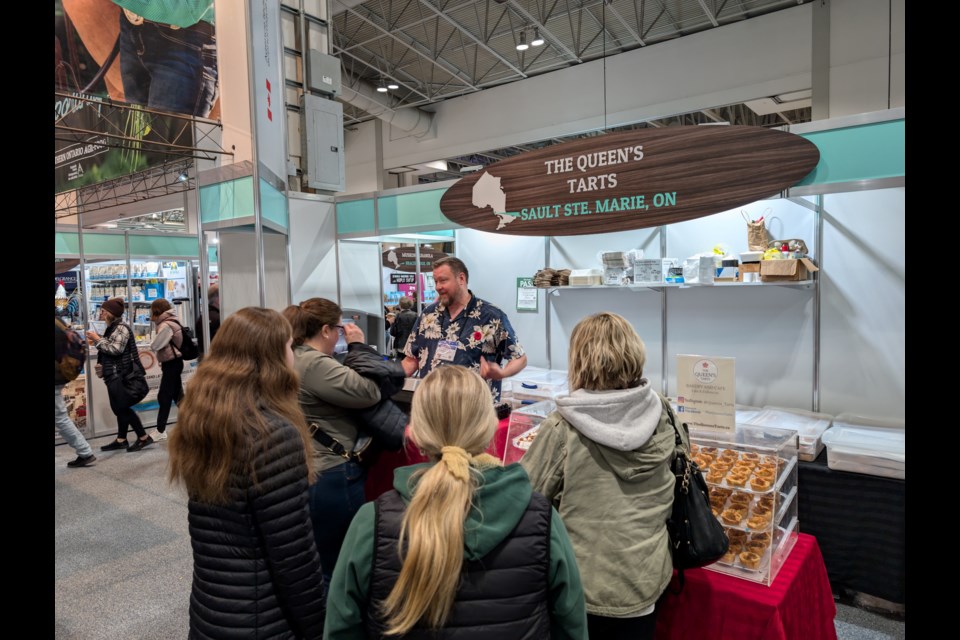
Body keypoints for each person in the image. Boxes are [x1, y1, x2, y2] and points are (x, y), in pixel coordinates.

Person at [324, 365, 588, 639]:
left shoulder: (372, 522)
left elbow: (341, 627)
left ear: (415, 432)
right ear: (488, 428)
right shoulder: (542, 519)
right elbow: (572, 626)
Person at [520, 312, 685, 640]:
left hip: (581, 589)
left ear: (579, 360)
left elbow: (524, 498)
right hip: (647, 579)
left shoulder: (562, 428)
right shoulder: (665, 412)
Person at [167, 307, 327, 639]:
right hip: (261, 616)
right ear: (271, 356)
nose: (293, 354)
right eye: (288, 345)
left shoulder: (202, 419)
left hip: (212, 609)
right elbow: (293, 559)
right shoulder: (272, 436)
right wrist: (321, 628)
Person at [282, 298, 406, 583]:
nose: (340, 334)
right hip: (333, 471)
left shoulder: (293, 355)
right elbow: (369, 392)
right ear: (325, 330)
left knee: (322, 558)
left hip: (311, 465)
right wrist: (359, 346)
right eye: (337, 328)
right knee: (340, 563)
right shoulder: (314, 363)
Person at [401, 257, 527, 402]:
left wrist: (502, 373)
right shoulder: (428, 315)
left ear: (461, 278)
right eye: (436, 281)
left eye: (443, 280)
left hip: (473, 411)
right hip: (432, 408)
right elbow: (411, 360)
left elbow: (520, 358)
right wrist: (386, 376)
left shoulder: (491, 317)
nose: (437, 286)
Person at [111, 0, 219, 118]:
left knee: (170, 134)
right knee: (137, 133)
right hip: (134, 23)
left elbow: (185, 11)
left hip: (185, 35)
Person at [86, 297, 153, 453]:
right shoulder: (112, 327)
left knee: (122, 407)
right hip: (114, 375)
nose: (100, 313)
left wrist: (97, 340)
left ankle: (143, 437)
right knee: (119, 407)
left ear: (111, 313)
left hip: (121, 375)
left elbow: (116, 349)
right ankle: (121, 439)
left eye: (103, 311)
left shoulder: (121, 328)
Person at [55, 317, 96, 468]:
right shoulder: (58, 320)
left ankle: (85, 452)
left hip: (56, 375)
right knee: (60, 418)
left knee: (60, 418)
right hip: (60, 374)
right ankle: (85, 452)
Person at [147, 298, 184, 441]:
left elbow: (156, 345)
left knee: (164, 396)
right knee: (178, 396)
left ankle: (161, 430)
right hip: (174, 363)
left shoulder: (165, 325)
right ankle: (195, 421)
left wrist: (152, 342)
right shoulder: (171, 320)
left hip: (172, 364)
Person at [388, 295, 417, 360]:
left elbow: (393, 332)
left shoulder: (398, 316)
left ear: (400, 305)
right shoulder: (416, 315)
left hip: (400, 345)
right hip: (412, 345)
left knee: (401, 366)